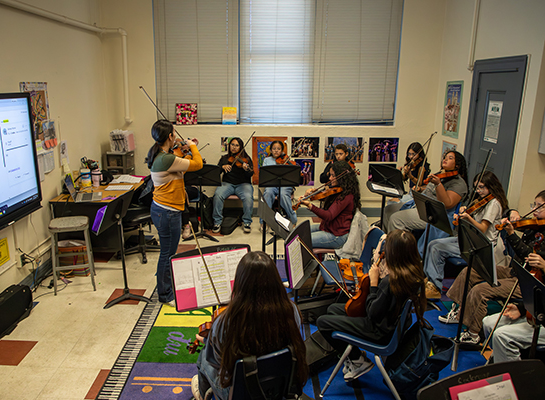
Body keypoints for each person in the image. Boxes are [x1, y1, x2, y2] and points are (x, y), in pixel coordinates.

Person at [191, 251, 308, 400]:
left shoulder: (225, 321)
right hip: (281, 386)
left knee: (203, 358)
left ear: (240, 283)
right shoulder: (292, 310)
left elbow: (218, 363)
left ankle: (202, 395)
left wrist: (211, 341)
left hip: (240, 394)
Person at [316, 230, 426, 381]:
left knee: (323, 322)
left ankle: (357, 361)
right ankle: (355, 355)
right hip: (390, 324)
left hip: (378, 331)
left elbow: (372, 313)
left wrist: (374, 285)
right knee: (333, 309)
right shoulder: (412, 274)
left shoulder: (390, 282)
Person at [424, 171, 508, 300]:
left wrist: (468, 217)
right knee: (433, 243)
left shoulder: (494, 204)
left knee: (437, 248)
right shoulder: (480, 201)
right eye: (476, 187)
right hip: (469, 239)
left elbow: (482, 229)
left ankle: (435, 287)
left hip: (481, 245)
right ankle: (430, 280)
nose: (478, 191)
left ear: (491, 186)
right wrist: (463, 212)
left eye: (482, 187)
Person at [483, 191, 545, 361]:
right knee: (488, 323)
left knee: (502, 336)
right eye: (534, 205)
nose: (534, 210)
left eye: (539, 206)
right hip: (536, 310)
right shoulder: (536, 232)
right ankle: (499, 363)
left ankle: (514, 380)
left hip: (541, 315)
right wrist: (521, 308)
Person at [146, 120, 203, 306]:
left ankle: (167, 285)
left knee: (168, 252)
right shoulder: (166, 159)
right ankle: (165, 294)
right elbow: (197, 164)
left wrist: (184, 147)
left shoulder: (162, 154)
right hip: (167, 212)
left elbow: (178, 162)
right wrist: (193, 147)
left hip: (163, 209)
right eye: (173, 135)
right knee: (167, 254)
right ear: (169, 136)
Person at [382, 150, 468, 238]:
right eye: (445, 157)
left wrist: (438, 184)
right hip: (420, 205)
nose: (445, 159)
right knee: (388, 210)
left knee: (396, 219)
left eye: (450, 158)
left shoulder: (459, 184)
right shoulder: (442, 174)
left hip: (432, 214)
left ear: (457, 165)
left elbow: (447, 203)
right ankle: (385, 240)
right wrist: (420, 189)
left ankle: (397, 248)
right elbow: (430, 189)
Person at [297, 160, 360, 249]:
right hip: (328, 227)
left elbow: (329, 216)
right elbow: (325, 197)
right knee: (299, 233)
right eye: (330, 175)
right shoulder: (339, 190)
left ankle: (310, 262)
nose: (330, 178)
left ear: (342, 177)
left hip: (337, 236)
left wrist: (310, 206)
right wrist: (312, 193)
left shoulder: (347, 195)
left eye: (333, 176)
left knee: (301, 240)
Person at [212, 137, 254, 234]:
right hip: (228, 184)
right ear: (229, 146)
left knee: (248, 198)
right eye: (232, 145)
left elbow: (251, 174)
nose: (234, 147)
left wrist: (246, 169)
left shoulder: (246, 159)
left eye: (237, 145)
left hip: (243, 184)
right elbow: (216, 172)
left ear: (241, 147)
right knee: (217, 195)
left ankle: (247, 222)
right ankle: (217, 222)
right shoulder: (225, 158)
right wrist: (222, 167)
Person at [259, 141, 298, 226]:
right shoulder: (266, 160)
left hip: (285, 184)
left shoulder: (286, 160)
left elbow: (292, 174)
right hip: (272, 184)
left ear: (282, 151)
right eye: (274, 149)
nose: (276, 151)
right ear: (271, 150)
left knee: (283, 194)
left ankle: (293, 219)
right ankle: (264, 221)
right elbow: (265, 175)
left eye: (278, 149)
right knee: (268, 193)